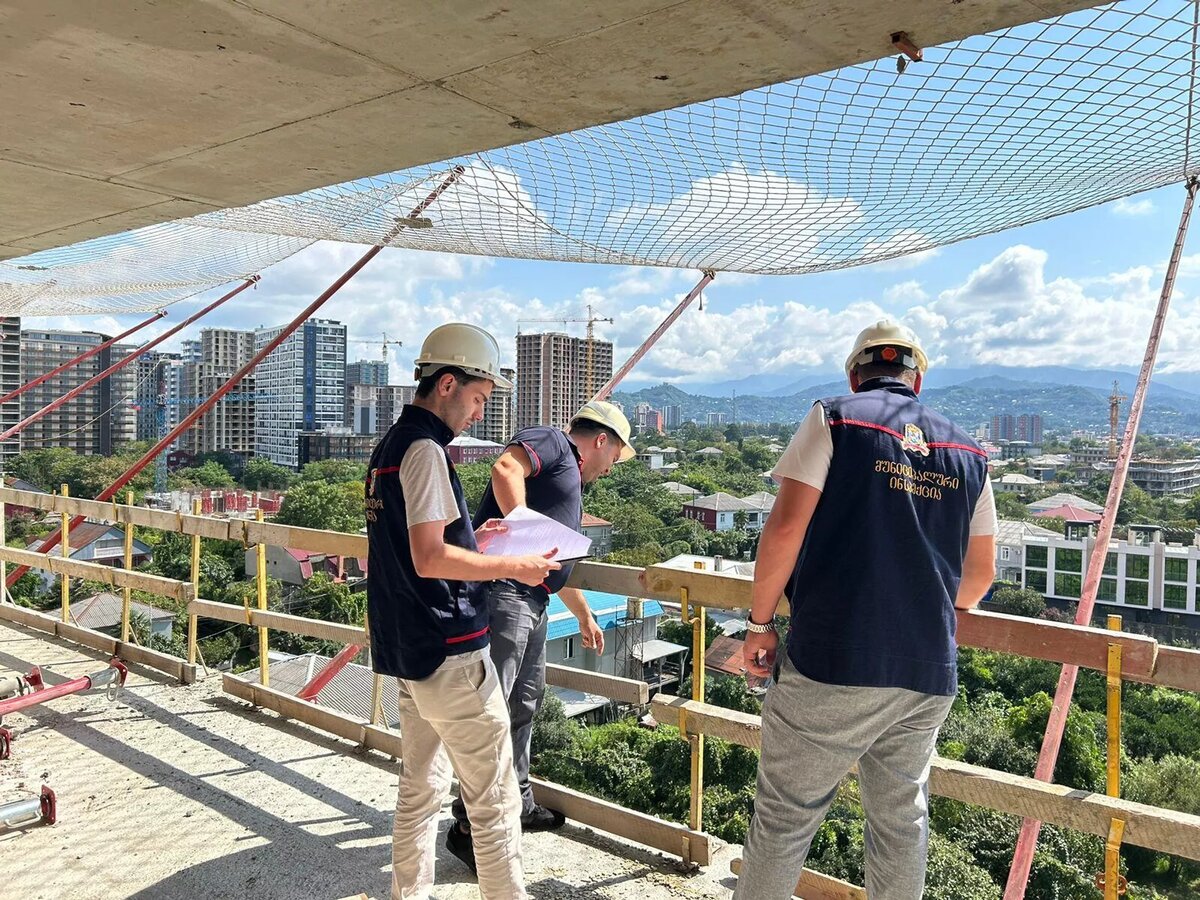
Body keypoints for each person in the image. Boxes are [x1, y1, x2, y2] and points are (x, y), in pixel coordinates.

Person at [735, 320, 996, 900]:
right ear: (917, 379)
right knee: (901, 825)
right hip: (926, 670)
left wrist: (760, 624)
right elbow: (979, 577)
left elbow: (784, 531)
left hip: (833, 660)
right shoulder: (971, 452)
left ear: (855, 375)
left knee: (784, 820)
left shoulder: (835, 417)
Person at [366, 322, 561, 900]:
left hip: (408, 646)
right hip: (449, 651)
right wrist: (513, 564)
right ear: (447, 383)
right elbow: (429, 558)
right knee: (495, 799)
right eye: (478, 398)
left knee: (420, 788)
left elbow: (414, 544)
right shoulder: (425, 451)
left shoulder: (391, 445)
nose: (479, 413)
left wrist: (478, 539)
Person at [448, 400, 635, 865]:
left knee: (522, 706)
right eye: (614, 457)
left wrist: (584, 615)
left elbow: (553, 562)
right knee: (492, 709)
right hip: (506, 593)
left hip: (533, 600)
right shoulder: (553, 441)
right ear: (601, 440)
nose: (610, 469)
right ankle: (469, 826)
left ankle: (519, 804)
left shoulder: (568, 483)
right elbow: (505, 468)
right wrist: (525, 531)